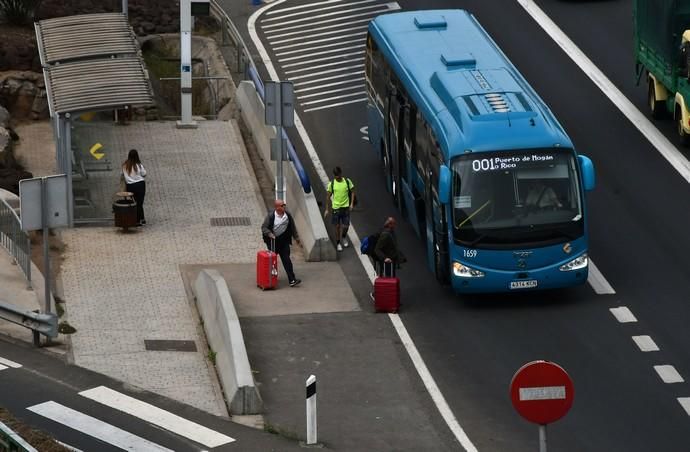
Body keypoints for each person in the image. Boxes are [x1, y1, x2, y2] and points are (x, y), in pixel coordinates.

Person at [261, 199, 301, 287]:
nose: (284, 207)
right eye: (282, 205)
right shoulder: (271, 216)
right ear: (277, 207)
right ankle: (270, 280)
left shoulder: (287, 215)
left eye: (284, 205)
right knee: (272, 262)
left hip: (284, 241)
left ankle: (292, 280)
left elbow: (292, 227)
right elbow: (264, 228)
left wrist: (297, 238)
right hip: (273, 242)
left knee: (287, 260)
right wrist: (270, 234)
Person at [325, 166, 355, 252]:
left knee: (346, 226)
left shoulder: (347, 181)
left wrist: (352, 204)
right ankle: (338, 243)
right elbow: (328, 196)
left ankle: (344, 237)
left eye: (338, 175)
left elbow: (353, 192)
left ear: (341, 173)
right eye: (335, 176)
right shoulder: (332, 184)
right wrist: (327, 209)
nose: (337, 177)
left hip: (345, 208)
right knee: (337, 227)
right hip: (336, 209)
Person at [122, 149, 147, 225]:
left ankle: (142, 218)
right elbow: (144, 174)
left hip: (130, 186)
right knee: (140, 203)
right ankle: (138, 220)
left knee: (136, 202)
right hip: (140, 185)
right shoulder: (138, 165)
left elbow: (123, 175)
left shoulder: (125, 165)